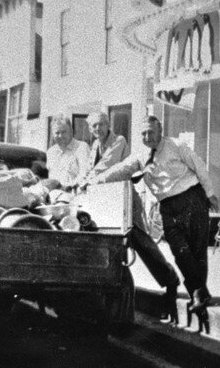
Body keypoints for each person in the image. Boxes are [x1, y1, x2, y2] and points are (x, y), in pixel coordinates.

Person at [89, 115, 218, 332]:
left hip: (192, 199)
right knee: (180, 251)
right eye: (143, 134)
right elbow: (119, 169)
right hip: (168, 206)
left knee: (197, 251)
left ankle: (198, 293)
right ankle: (199, 291)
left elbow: (200, 166)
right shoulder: (140, 155)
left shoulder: (176, 145)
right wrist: (93, 182)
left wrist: (210, 194)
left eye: (151, 132)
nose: (147, 137)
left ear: (160, 131)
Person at [80, 112, 180, 323]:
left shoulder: (118, 141)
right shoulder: (93, 148)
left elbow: (109, 167)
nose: (98, 129)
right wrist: (83, 181)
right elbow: (89, 170)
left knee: (140, 240)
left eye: (101, 125)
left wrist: (90, 181)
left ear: (108, 125)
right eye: (94, 126)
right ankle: (121, 307)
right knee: (115, 247)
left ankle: (170, 281)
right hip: (104, 201)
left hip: (124, 201)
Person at [46, 113, 91, 191]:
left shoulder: (81, 148)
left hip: (74, 195)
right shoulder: (51, 152)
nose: (60, 136)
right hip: (53, 197)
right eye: (57, 133)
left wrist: (68, 188)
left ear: (71, 131)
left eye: (64, 132)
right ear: (53, 134)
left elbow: (85, 175)